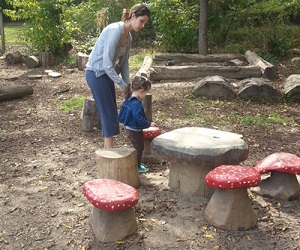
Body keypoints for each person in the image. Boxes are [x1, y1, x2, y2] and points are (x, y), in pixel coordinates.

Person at [85, 4, 151, 148]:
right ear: (133, 16)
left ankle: (109, 150)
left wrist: (129, 85)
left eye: (144, 22)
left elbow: (124, 64)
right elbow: (107, 64)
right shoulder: (115, 30)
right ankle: (108, 153)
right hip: (96, 73)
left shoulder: (129, 37)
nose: (143, 25)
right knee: (108, 112)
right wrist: (123, 85)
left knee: (112, 111)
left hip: (107, 74)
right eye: (141, 21)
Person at [118, 75, 156, 173]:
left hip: (129, 128)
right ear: (141, 91)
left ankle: (135, 164)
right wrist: (148, 124)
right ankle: (136, 166)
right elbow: (138, 118)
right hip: (135, 131)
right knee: (139, 148)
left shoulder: (128, 99)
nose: (145, 95)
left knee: (137, 147)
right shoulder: (136, 104)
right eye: (146, 93)